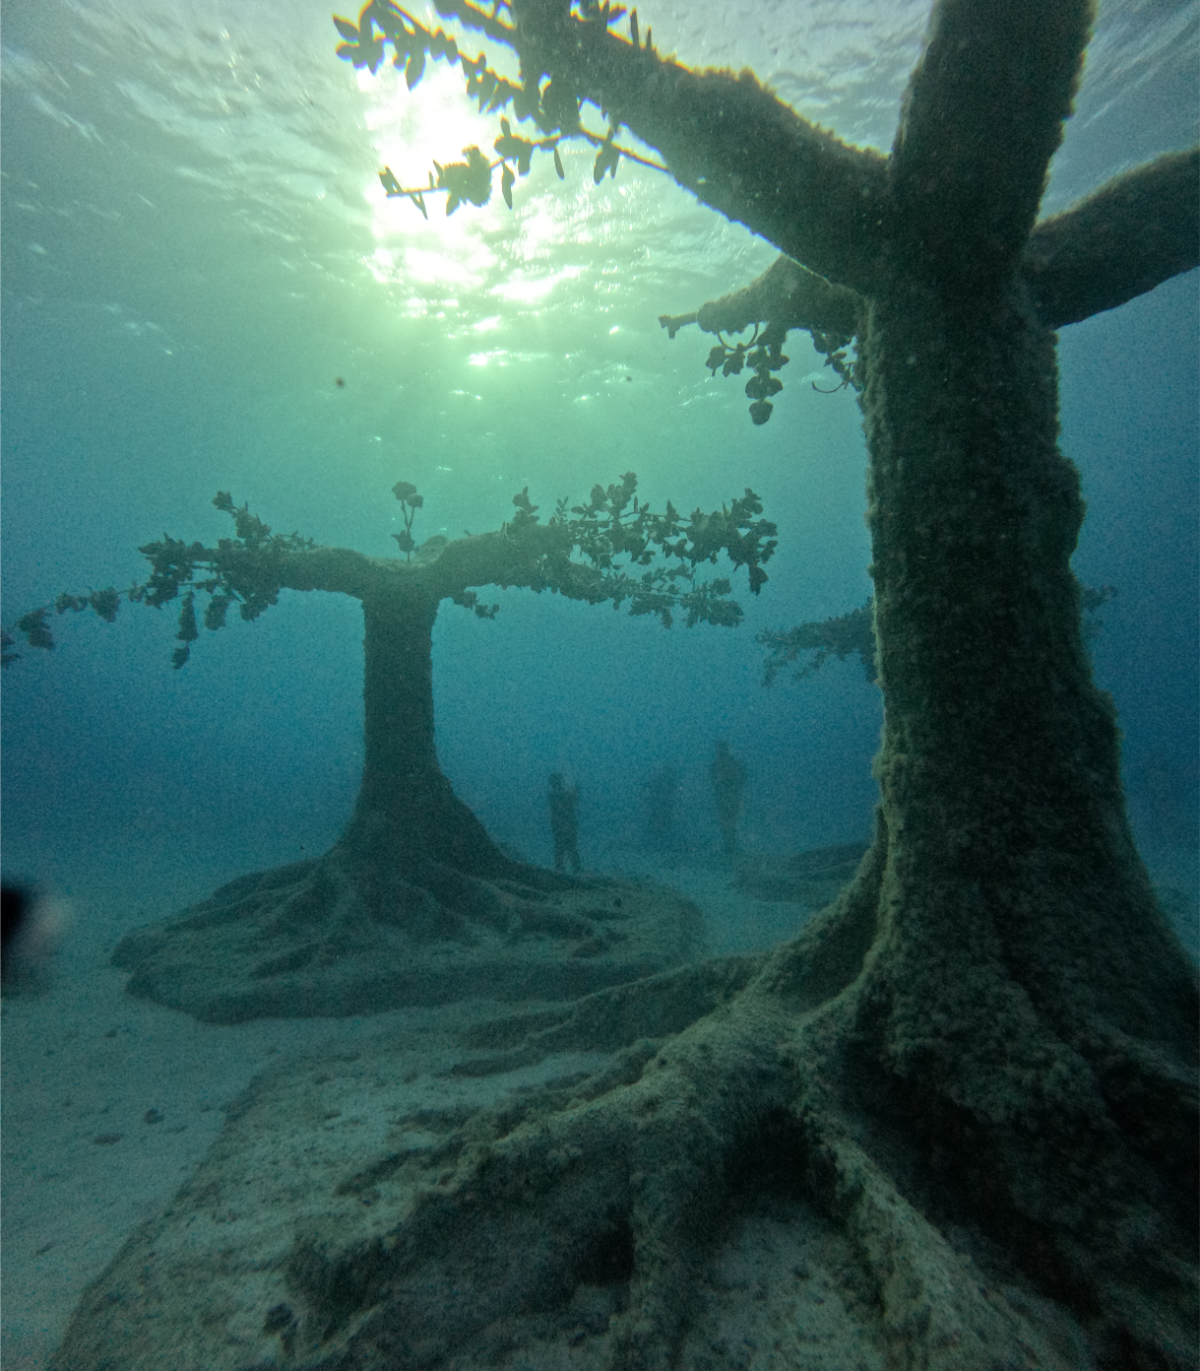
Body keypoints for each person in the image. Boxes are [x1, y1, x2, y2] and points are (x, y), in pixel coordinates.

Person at [709, 740, 747, 858]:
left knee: (730, 822)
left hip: (730, 797)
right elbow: (712, 779)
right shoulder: (717, 764)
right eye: (719, 748)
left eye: (721, 748)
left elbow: (741, 778)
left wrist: (727, 781)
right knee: (726, 822)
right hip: (724, 797)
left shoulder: (732, 763)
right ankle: (729, 846)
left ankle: (730, 846)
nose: (719, 751)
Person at [547, 772, 581, 873]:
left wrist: (573, 792)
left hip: (564, 825)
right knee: (562, 848)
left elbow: (574, 800)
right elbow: (564, 803)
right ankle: (564, 869)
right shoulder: (555, 795)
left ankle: (571, 869)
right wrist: (572, 792)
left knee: (567, 848)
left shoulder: (557, 794)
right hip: (563, 825)